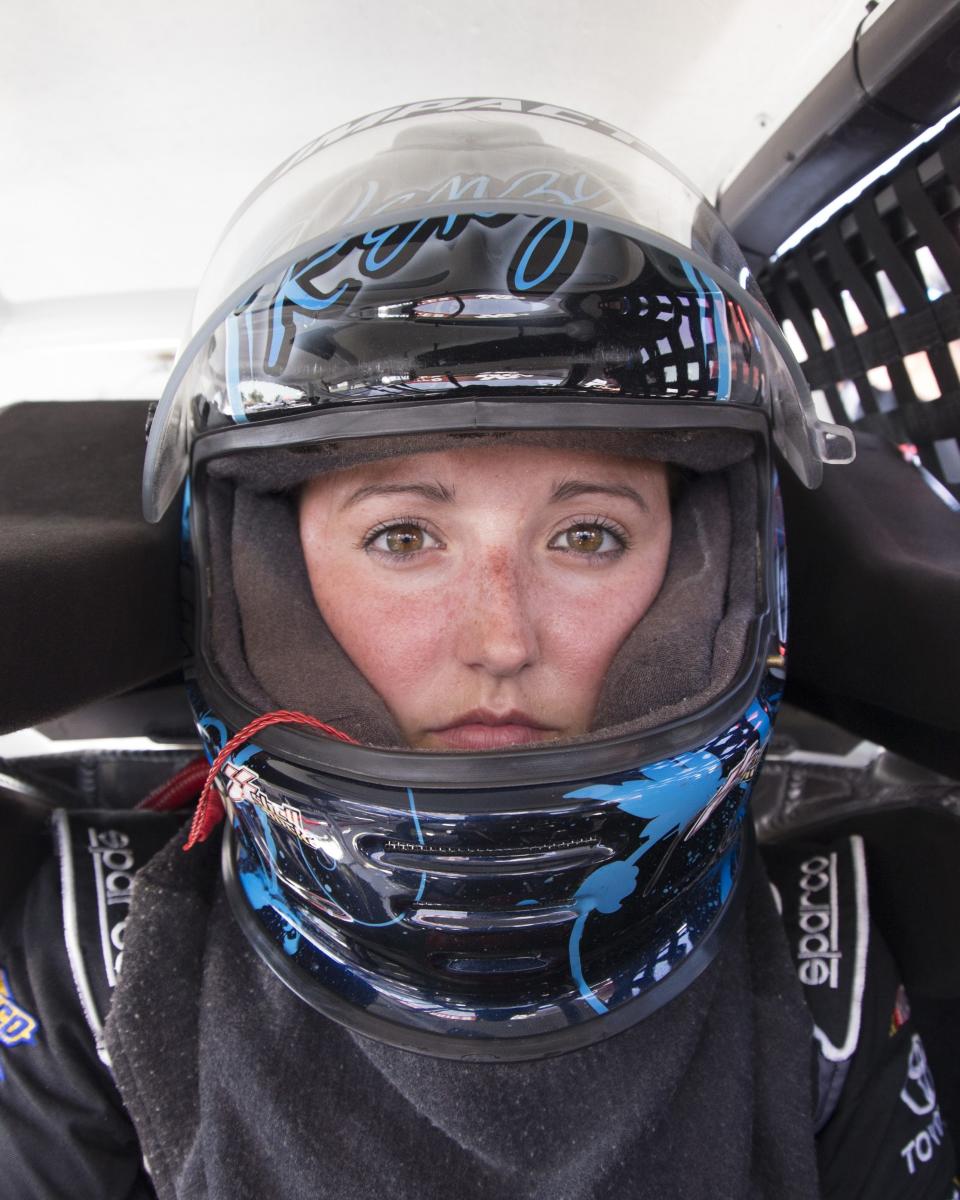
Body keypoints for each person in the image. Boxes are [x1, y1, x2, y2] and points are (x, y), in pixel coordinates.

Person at [1, 98, 956, 1200]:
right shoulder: (109, 944)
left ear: (711, 575)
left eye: (587, 536)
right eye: (403, 538)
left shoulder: (823, 942)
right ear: (263, 583)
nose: (502, 637)